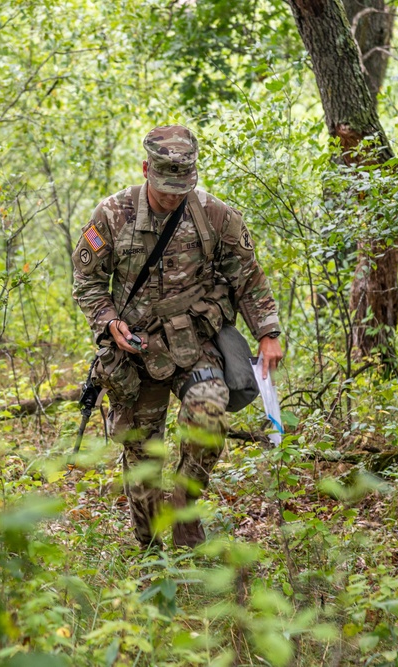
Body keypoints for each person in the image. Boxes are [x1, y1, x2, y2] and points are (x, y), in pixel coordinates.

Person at [71, 125, 283, 549]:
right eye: (165, 188)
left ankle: (186, 515)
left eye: (180, 188)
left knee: (209, 410)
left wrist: (268, 332)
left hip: (193, 343)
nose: (172, 197)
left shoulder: (215, 215)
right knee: (142, 454)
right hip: (134, 351)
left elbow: (249, 277)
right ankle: (149, 548)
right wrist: (109, 321)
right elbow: (86, 280)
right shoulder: (112, 215)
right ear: (145, 169)